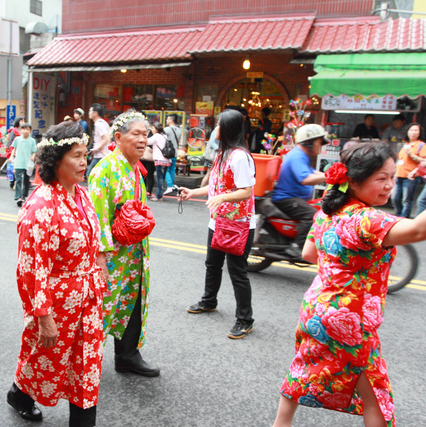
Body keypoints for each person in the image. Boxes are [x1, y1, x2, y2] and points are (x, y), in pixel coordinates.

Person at [273, 142, 426, 427]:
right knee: (376, 396)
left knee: (303, 369)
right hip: (350, 319)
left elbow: (309, 254)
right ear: (353, 180)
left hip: (316, 310)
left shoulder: (325, 213)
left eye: (392, 177)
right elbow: (419, 229)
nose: (390, 185)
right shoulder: (368, 219)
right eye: (381, 178)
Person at [7, 121, 105, 426]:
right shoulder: (41, 206)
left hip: (87, 299)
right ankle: (20, 394)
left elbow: (94, 236)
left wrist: (99, 265)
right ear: (55, 160)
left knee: (87, 366)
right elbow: (32, 268)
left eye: (85, 154)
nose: (83, 161)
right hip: (56, 304)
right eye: (76, 155)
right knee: (44, 359)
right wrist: (43, 316)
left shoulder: (82, 195)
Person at [88, 109, 160, 377]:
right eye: (137, 134)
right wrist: (100, 256)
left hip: (134, 252)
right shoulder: (104, 170)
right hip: (111, 255)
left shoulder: (135, 170)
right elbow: (97, 217)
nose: (143, 140)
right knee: (103, 306)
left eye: (146, 135)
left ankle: (127, 355)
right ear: (118, 137)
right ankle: (87, 360)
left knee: (132, 303)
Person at [180, 110, 257, 339]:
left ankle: (245, 319)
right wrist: (193, 192)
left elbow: (246, 191)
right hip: (219, 221)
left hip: (238, 224)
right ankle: (209, 300)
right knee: (212, 264)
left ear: (229, 129)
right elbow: (216, 189)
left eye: (218, 125)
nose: (215, 129)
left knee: (237, 272)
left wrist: (222, 198)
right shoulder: (223, 153)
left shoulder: (240, 157)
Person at [271, 124, 328, 258]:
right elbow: (305, 178)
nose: (320, 146)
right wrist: (328, 176)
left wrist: (331, 175)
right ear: (309, 142)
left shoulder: (302, 155)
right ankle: (297, 246)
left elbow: (312, 172)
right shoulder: (298, 155)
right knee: (313, 216)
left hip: (294, 198)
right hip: (286, 198)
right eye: (319, 142)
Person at [392, 123, 426, 218]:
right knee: (394, 197)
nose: (413, 132)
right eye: (411, 130)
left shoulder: (421, 145)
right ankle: (398, 216)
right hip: (399, 175)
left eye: (416, 130)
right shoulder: (405, 145)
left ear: (420, 133)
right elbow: (399, 160)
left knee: (406, 200)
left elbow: (424, 161)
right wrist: (394, 173)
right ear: (407, 132)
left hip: (410, 177)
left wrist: (411, 154)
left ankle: (404, 218)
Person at [9, 122, 37, 207]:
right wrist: (11, 156)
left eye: (27, 129)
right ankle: (18, 197)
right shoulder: (17, 139)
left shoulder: (32, 141)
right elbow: (14, 148)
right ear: (20, 130)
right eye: (23, 129)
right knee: (18, 180)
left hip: (28, 164)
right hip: (19, 162)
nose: (25, 131)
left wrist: (33, 156)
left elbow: (34, 151)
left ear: (30, 131)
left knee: (26, 180)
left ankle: (24, 196)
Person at [86, 103, 110, 178]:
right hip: (102, 155)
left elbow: (106, 138)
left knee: (90, 175)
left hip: (100, 155)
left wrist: (96, 149)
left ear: (95, 113)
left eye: (90, 111)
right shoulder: (103, 123)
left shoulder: (99, 124)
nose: (89, 113)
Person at [147, 122, 170, 201]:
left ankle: (159, 196)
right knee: (162, 178)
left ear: (156, 129)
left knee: (159, 178)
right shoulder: (165, 136)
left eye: (153, 128)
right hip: (166, 160)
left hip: (159, 159)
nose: (152, 130)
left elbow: (147, 142)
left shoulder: (156, 136)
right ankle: (160, 194)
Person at [164, 113, 181, 193]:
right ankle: (171, 185)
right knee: (172, 169)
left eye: (167, 119)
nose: (166, 120)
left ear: (171, 120)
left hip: (168, 152)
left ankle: (170, 185)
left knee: (166, 169)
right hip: (175, 152)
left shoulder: (167, 129)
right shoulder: (179, 130)